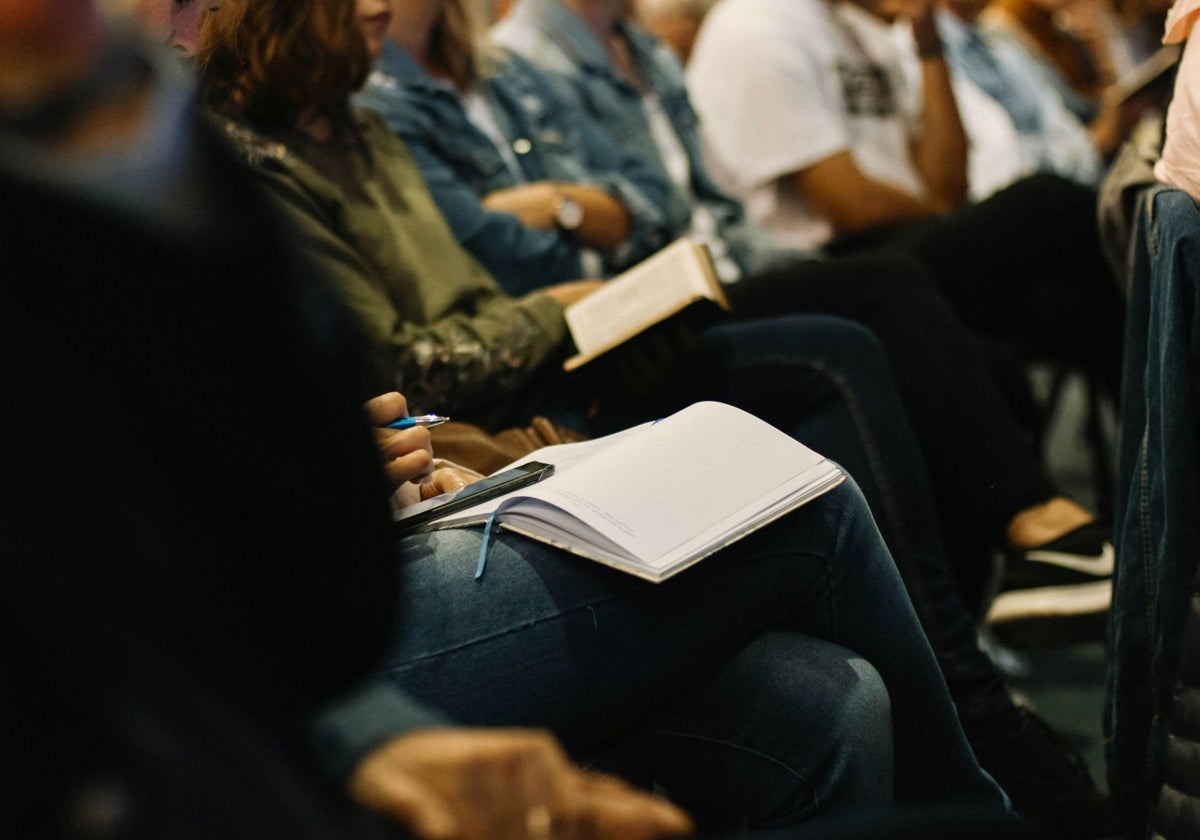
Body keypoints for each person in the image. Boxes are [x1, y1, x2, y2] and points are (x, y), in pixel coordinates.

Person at [375, 0, 1114, 635]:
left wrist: (570, 207)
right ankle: (1011, 567)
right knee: (907, 287)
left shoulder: (575, 62)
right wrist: (579, 211)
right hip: (595, 327)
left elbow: (653, 202)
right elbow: (497, 250)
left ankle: (996, 609)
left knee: (962, 335)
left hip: (690, 277)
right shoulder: (502, 62)